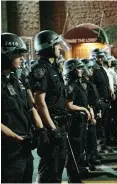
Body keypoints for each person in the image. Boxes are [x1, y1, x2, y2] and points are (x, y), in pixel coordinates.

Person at [1, 32, 46, 183]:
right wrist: (18, 139)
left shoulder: (17, 80)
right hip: (8, 152)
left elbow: (31, 107)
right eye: (18, 54)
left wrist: (40, 130)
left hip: (24, 149)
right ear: (6, 55)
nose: (22, 58)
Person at [29, 30, 71, 183]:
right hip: (51, 125)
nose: (60, 47)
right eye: (57, 44)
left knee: (58, 167)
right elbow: (40, 103)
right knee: (50, 170)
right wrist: (52, 129)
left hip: (59, 124)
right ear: (48, 47)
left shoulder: (53, 68)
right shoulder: (41, 69)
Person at [63, 59, 94, 181]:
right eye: (79, 68)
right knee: (74, 150)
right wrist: (84, 110)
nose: (81, 70)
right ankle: (73, 176)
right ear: (72, 70)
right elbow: (68, 105)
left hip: (81, 121)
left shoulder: (77, 84)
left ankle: (79, 169)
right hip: (75, 122)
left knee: (81, 147)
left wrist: (89, 109)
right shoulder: (70, 85)